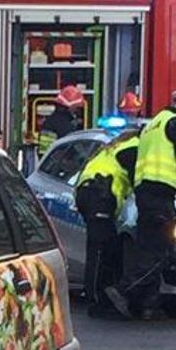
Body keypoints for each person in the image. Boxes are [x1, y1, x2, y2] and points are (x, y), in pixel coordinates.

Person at [107, 90, 176, 319]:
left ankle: (149, 307)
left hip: (145, 193)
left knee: (148, 248)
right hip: (161, 193)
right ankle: (123, 290)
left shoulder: (153, 124)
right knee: (158, 252)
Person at [75, 129, 139, 317]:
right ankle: (95, 298)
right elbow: (139, 179)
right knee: (100, 248)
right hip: (99, 196)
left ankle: (101, 294)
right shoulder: (133, 147)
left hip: (92, 194)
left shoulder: (116, 146)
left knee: (107, 246)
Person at [38, 85, 86, 155]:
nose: (78, 110)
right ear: (71, 106)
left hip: (50, 163)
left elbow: (43, 151)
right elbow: (74, 150)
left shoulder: (50, 121)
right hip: (62, 163)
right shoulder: (66, 124)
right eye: (77, 107)